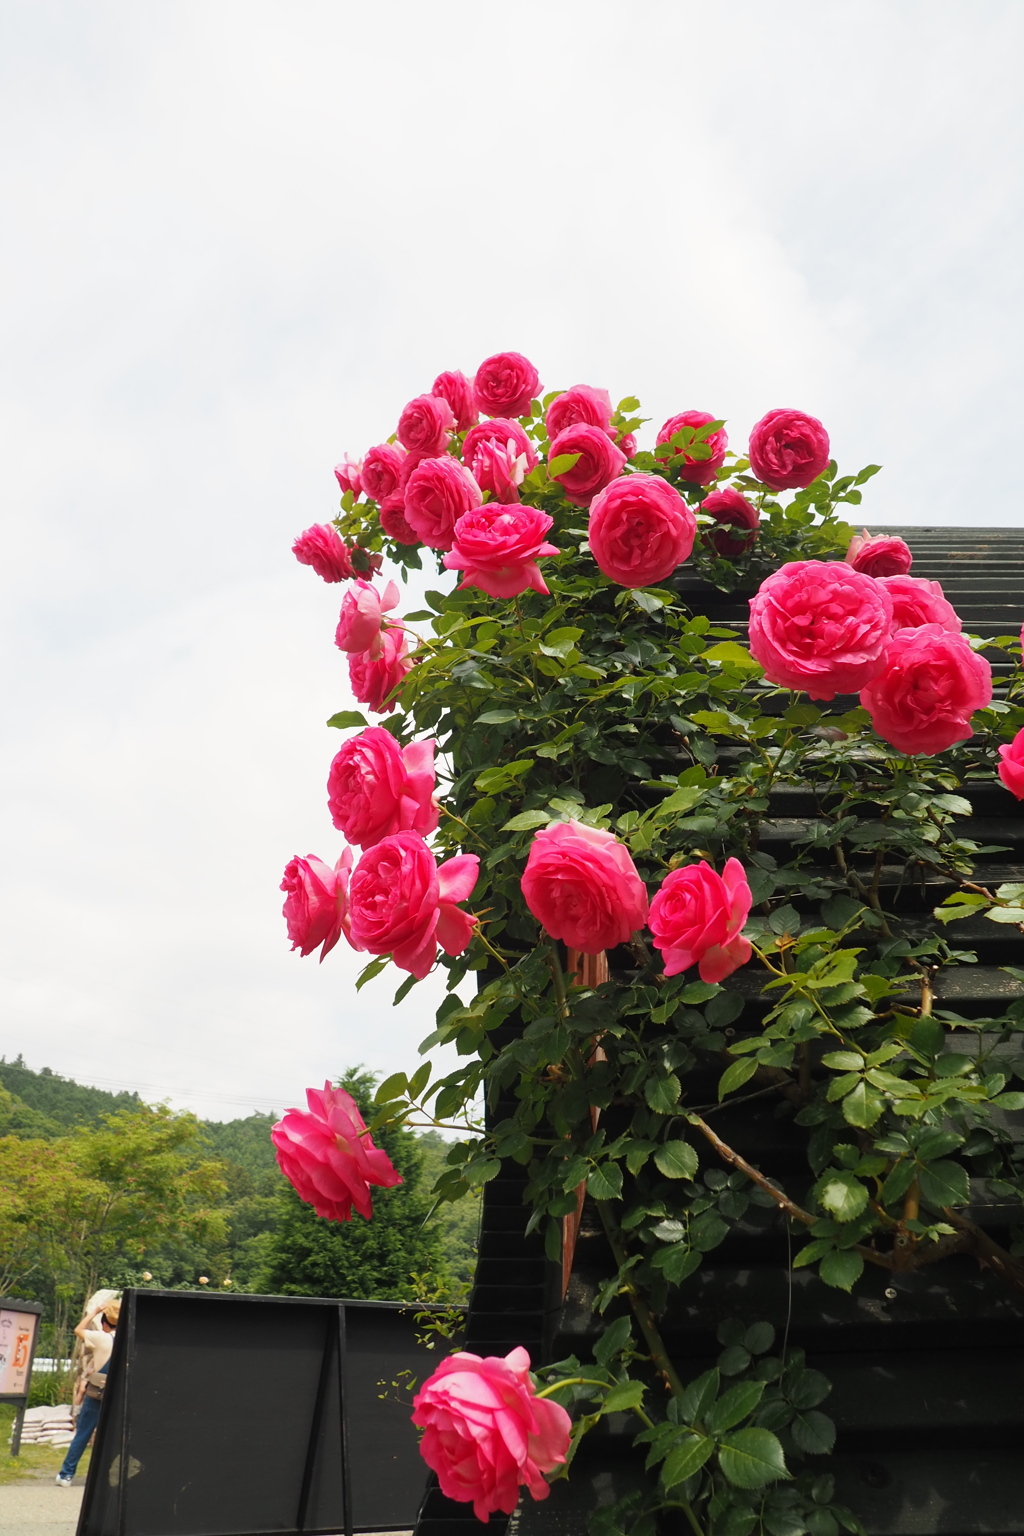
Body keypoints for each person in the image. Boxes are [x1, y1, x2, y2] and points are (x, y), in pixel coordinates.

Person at [54, 1298, 120, 1487]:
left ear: (104, 1322)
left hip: (97, 1394)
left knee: (83, 1435)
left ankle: (67, 1474)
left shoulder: (101, 1338)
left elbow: (78, 1330)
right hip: (117, 1395)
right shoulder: (129, 1338)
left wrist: (94, 1311)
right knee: (114, 1436)